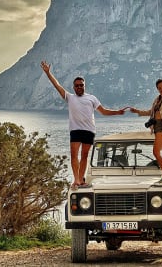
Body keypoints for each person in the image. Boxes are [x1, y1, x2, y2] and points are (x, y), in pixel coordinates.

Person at [41, 61, 126, 190]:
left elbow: (103, 111)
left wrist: (118, 112)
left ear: (84, 86)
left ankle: (81, 181)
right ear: (74, 87)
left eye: (81, 85)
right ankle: (76, 180)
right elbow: (57, 85)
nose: (79, 87)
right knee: (74, 155)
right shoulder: (69, 97)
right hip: (75, 130)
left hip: (89, 130)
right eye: (77, 86)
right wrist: (48, 73)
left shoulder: (92, 98)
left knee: (85, 156)